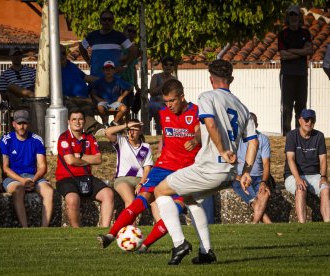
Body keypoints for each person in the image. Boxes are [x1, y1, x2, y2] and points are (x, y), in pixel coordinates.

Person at [154, 59, 259, 265]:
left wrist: (222, 150)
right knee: (191, 199)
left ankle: (179, 244)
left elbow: (209, 123)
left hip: (209, 167)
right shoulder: (243, 108)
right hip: (228, 173)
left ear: (211, 79)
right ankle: (206, 252)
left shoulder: (207, 97)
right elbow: (253, 141)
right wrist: (246, 171)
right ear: (232, 79)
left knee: (160, 191)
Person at [97, 79, 201, 253]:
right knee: (142, 198)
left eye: (172, 101)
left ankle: (145, 246)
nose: (168, 105)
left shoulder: (196, 111)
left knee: (174, 209)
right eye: (166, 101)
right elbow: (166, 136)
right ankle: (110, 235)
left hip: (187, 169)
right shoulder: (163, 113)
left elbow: (203, 131)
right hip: (163, 166)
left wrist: (196, 139)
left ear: (182, 97)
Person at [55, 108, 114, 228]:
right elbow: (70, 160)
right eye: (74, 119)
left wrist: (81, 156)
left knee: (108, 193)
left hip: (86, 177)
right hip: (66, 178)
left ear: (84, 121)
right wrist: (88, 160)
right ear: (69, 122)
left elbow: (98, 159)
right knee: (72, 199)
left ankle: (105, 230)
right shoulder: (64, 138)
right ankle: (77, 232)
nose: (77, 122)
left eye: (80, 119)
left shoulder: (90, 138)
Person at [0, 110, 54, 227]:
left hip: (33, 176)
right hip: (13, 177)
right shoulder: (6, 140)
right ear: (14, 124)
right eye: (19, 123)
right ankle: (25, 227)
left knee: (49, 191)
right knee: (18, 190)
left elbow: (43, 166)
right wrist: (22, 181)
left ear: (28, 124)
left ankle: (45, 228)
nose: (22, 126)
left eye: (24, 123)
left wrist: (33, 180)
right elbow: (5, 168)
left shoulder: (37, 140)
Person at [284, 109, 330, 223]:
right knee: (300, 189)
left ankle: (328, 225)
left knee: (326, 189)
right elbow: (290, 159)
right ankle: (303, 225)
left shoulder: (319, 136)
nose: (309, 122)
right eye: (306, 119)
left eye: (312, 120)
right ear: (300, 120)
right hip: (293, 175)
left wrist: (324, 176)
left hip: (314, 174)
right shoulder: (291, 135)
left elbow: (323, 159)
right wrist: (298, 179)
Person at [278, 5, 313, 136]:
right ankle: (286, 134)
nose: (293, 17)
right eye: (291, 15)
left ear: (300, 17)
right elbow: (283, 55)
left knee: (301, 106)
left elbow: (310, 50)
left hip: (302, 73)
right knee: (286, 106)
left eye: (296, 15)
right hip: (287, 74)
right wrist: (301, 52)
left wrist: (291, 51)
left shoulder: (305, 33)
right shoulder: (283, 34)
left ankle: (300, 133)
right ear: (288, 17)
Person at [232, 112, 272, 224]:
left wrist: (264, 181)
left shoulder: (263, 139)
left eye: (252, 124)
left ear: (257, 125)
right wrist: (236, 175)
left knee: (264, 193)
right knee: (255, 201)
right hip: (241, 178)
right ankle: (269, 224)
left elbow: (266, 164)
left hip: (258, 177)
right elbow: (229, 161)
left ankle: (254, 223)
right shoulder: (237, 139)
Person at [105, 119, 153, 208]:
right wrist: (126, 125)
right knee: (130, 201)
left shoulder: (146, 147)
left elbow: (147, 169)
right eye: (130, 129)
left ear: (140, 131)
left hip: (140, 179)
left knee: (153, 201)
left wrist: (141, 183)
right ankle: (130, 222)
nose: (131, 132)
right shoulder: (121, 141)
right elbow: (108, 132)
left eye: (135, 130)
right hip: (123, 179)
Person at [79, 10, 137, 78]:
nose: (107, 21)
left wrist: (125, 66)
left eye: (109, 19)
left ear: (113, 22)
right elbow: (81, 47)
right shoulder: (92, 35)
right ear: (100, 21)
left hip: (113, 81)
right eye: (104, 19)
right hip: (96, 79)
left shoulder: (119, 36)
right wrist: (88, 61)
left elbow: (133, 50)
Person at [60, 45, 104, 135]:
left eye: (63, 53)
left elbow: (85, 77)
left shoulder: (72, 66)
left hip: (84, 98)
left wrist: (104, 80)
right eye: (58, 54)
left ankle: (95, 132)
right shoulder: (53, 69)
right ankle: (96, 130)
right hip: (68, 99)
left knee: (87, 109)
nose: (61, 56)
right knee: (77, 113)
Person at [91, 61, 132, 127]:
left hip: (116, 102)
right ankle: (105, 123)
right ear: (103, 71)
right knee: (100, 107)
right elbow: (91, 90)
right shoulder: (99, 81)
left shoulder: (118, 80)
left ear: (114, 71)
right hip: (104, 102)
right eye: (106, 69)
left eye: (110, 69)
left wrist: (121, 97)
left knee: (124, 109)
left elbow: (130, 88)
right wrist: (98, 98)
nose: (108, 71)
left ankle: (114, 122)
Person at [149, 56, 176, 135]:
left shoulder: (174, 79)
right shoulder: (156, 77)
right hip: (155, 102)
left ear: (173, 67)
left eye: (171, 65)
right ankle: (150, 131)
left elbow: (175, 94)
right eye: (166, 64)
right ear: (162, 66)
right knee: (156, 107)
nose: (168, 66)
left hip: (168, 103)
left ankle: (170, 132)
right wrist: (164, 85)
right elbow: (152, 92)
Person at [120, 23, 140, 118]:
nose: (131, 34)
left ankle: (126, 130)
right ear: (124, 32)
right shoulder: (119, 47)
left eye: (134, 32)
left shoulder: (133, 49)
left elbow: (133, 68)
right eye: (129, 31)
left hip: (130, 84)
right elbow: (118, 59)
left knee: (128, 108)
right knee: (120, 108)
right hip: (119, 83)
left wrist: (136, 85)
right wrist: (131, 54)